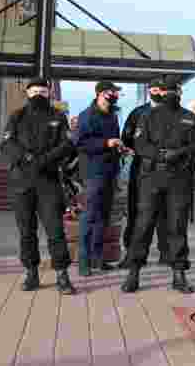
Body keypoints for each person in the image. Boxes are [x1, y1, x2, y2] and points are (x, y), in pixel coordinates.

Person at [120, 78, 195, 294]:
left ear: (180, 92)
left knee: (177, 227)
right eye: (167, 91)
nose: (170, 95)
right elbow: (139, 144)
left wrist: (181, 153)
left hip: (179, 179)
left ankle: (179, 274)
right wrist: (159, 155)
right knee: (143, 225)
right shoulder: (147, 116)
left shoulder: (189, 117)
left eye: (174, 91)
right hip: (151, 177)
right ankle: (134, 273)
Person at [0, 79, 77, 294]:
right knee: (26, 231)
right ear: (27, 93)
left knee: (55, 231)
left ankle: (62, 275)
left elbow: (67, 144)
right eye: (34, 91)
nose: (38, 95)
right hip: (21, 182)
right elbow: (6, 143)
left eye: (43, 91)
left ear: (49, 93)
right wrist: (25, 157)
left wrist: (45, 159)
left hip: (48, 182)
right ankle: (31, 273)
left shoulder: (58, 116)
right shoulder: (17, 116)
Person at [118, 78, 169, 268]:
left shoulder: (174, 113)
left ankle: (167, 254)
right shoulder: (137, 113)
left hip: (167, 172)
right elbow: (127, 139)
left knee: (165, 215)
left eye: (161, 89)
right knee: (137, 214)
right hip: (142, 171)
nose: (157, 92)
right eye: (154, 89)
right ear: (149, 91)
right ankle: (133, 255)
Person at [75, 81, 124, 276]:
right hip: (93, 172)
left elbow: (112, 142)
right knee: (90, 215)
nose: (115, 95)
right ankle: (84, 262)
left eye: (116, 93)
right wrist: (106, 142)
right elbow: (80, 142)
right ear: (100, 94)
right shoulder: (87, 115)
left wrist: (120, 147)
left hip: (110, 171)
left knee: (103, 216)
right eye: (112, 92)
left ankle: (98, 259)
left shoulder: (111, 115)